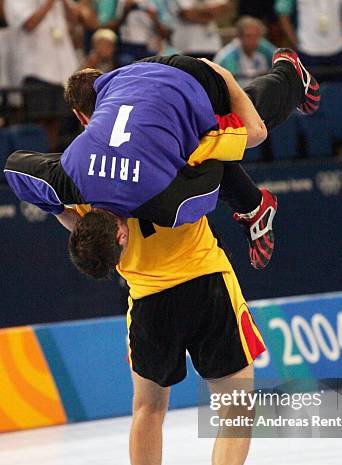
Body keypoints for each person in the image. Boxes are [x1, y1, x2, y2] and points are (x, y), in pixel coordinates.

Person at [52, 191, 267, 465]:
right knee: (236, 410)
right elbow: (218, 175)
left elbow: (67, 213)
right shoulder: (171, 144)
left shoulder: (88, 174)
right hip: (205, 283)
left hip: (151, 302)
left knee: (148, 410)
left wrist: (53, 202)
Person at [5, 50, 321, 272]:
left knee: (230, 133)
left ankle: (290, 77)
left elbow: (217, 164)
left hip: (191, 79)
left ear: (120, 234)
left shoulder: (167, 204)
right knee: (187, 148)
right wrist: (59, 206)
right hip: (128, 77)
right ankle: (254, 205)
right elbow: (14, 167)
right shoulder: (68, 177)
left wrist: (225, 79)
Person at [3, 0, 79, 150]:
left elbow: (74, 20)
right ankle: (36, 164)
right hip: (36, 70)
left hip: (61, 71)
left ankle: (50, 163)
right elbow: (28, 23)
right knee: (39, 123)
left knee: (57, 122)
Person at [276, 0, 342, 80]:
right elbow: (283, 13)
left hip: (337, 47)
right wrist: (295, 41)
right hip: (308, 49)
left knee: (337, 87)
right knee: (310, 88)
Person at [214, 16, 276, 87]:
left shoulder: (265, 49)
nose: (253, 40)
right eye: (248, 36)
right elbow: (229, 85)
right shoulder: (227, 57)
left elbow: (282, 63)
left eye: (256, 36)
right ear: (239, 37)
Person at [165, 0, 230, 60]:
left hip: (212, 47)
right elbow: (189, 14)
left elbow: (224, 7)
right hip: (189, 48)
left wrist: (201, 11)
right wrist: (210, 10)